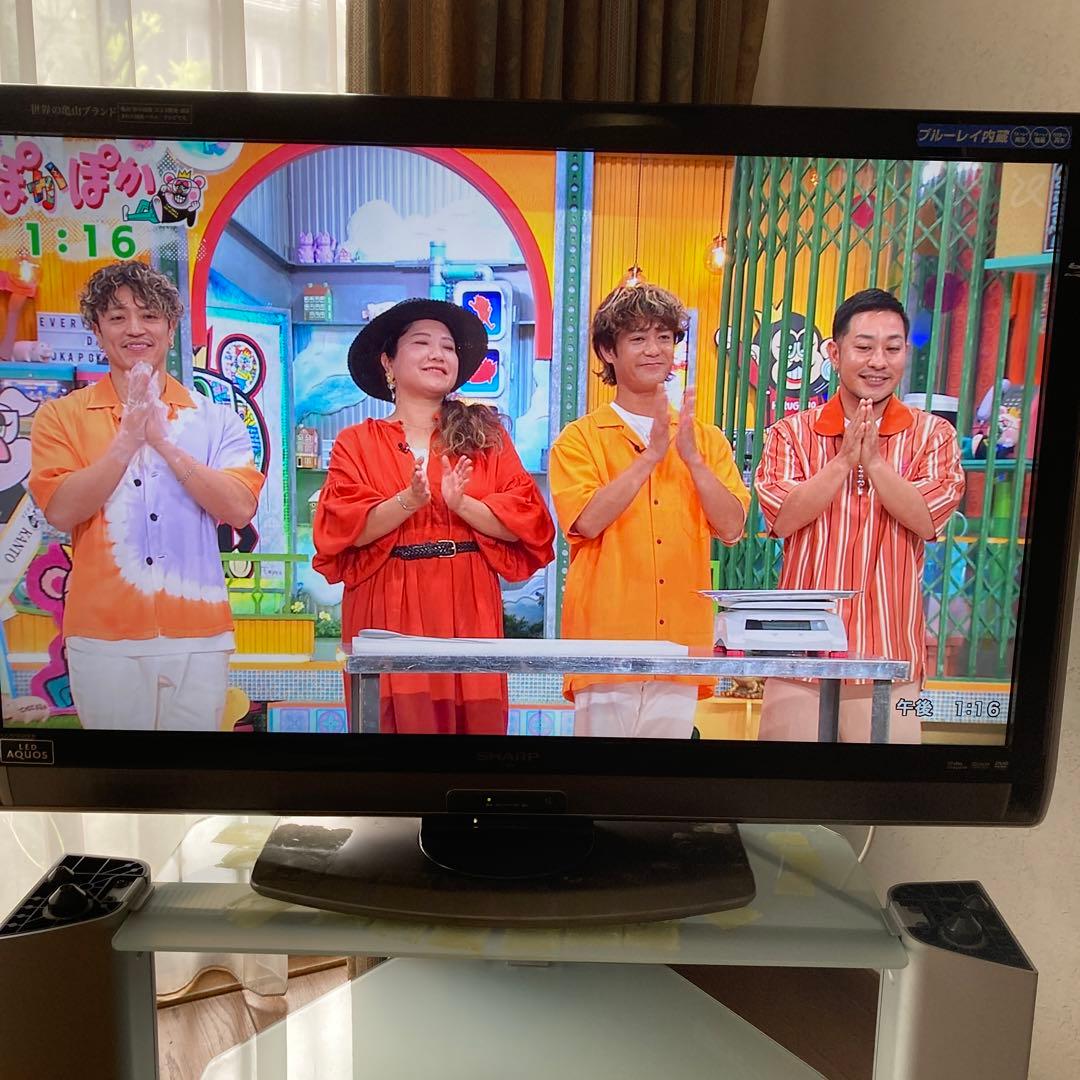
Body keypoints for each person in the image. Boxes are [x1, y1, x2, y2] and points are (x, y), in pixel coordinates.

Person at [28, 261, 265, 731]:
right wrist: (127, 439)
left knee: (193, 773)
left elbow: (239, 508)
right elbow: (61, 510)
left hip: (199, 633)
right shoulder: (60, 417)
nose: (135, 329)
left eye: (150, 315)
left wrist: (163, 443)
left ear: (171, 328)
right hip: (102, 636)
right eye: (117, 317)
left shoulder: (215, 418)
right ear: (97, 330)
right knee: (116, 774)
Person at [312, 298, 555, 735]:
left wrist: (462, 505)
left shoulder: (487, 436)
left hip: (469, 600)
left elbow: (529, 522)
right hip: (386, 600)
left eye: (447, 346)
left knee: (475, 729)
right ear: (388, 362)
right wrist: (408, 500)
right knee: (392, 726)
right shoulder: (356, 441)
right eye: (421, 343)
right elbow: (341, 530)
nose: (437, 354)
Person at [754, 288, 966, 743]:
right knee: (784, 783)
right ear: (834, 353)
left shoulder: (935, 435)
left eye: (892, 348)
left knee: (884, 785)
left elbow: (927, 519)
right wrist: (841, 462)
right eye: (864, 347)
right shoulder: (790, 433)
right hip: (800, 654)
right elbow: (782, 519)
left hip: (890, 654)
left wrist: (875, 464)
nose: (878, 362)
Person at [549, 283, 749, 738]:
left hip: (681, 642)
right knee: (602, 775)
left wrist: (693, 460)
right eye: (638, 338)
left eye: (664, 337)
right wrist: (651, 456)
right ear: (608, 351)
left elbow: (732, 527)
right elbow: (586, 520)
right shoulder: (579, 439)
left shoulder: (705, 438)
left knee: (663, 777)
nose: (654, 349)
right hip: (604, 644)